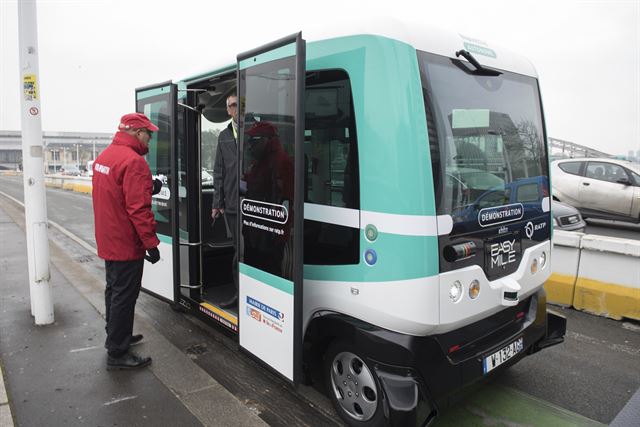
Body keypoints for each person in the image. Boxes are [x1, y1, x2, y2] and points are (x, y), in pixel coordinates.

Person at [92, 112, 161, 370]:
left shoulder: (106, 156)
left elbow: (116, 194)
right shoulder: (134, 163)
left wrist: (146, 185)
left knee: (113, 289)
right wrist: (150, 243)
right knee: (125, 295)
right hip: (125, 241)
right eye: (148, 134)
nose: (150, 140)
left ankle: (116, 334)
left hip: (108, 237)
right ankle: (117, 352)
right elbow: (138, 210)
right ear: (135, 132)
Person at [212, 95, 239, 308]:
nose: (236, 108)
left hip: (255, 203)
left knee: (248, 251)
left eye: (240, 104)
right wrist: (216, 203)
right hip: (231, 204)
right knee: (238, 249)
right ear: (228, 110)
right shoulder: (224, 136)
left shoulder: (257, 131)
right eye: (233, 105)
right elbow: (218, 171)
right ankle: (239, 294)